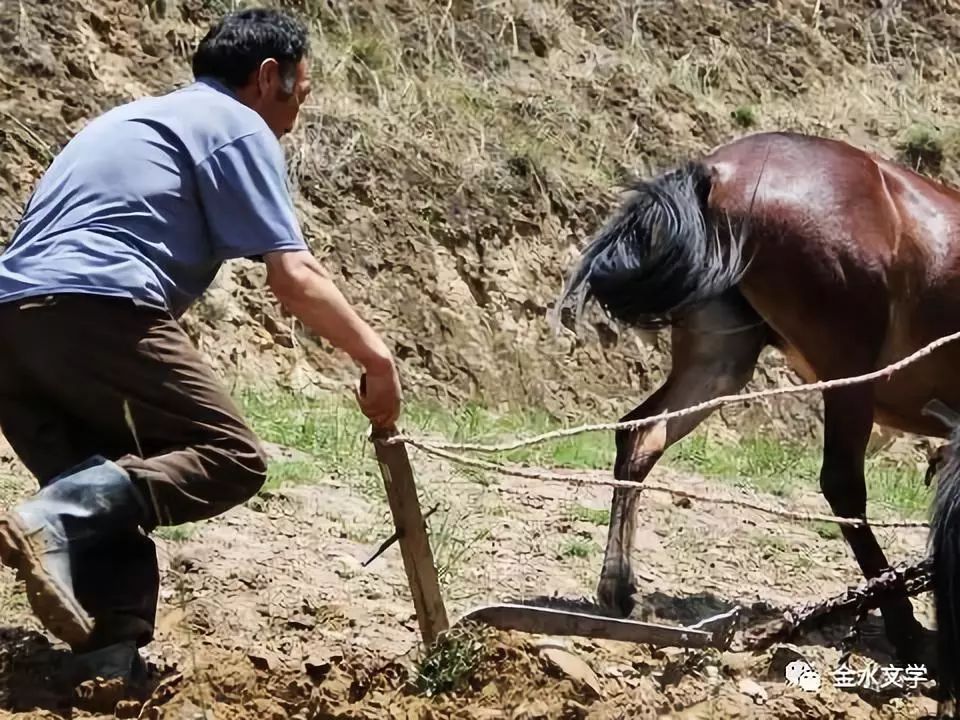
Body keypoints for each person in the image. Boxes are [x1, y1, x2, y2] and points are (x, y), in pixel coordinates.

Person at [0, 7, 402, 683]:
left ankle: (107, 653)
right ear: (268, 77)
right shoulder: (237, 125)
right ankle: (55, 515)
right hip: (97, 305)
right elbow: (294, 278)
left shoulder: (131, 118)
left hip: (11, 327)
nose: (299, 109)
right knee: (230, 456)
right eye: (301, 92)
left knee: (110, 481)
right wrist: (376, 358)